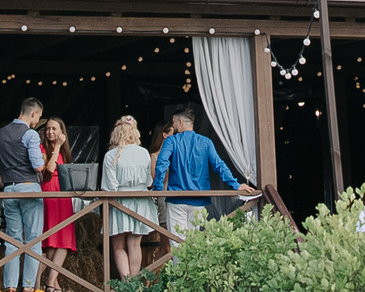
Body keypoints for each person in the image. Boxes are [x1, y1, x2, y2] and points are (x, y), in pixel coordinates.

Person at [154, 108, 254, 245]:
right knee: (193, 243)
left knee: (177, 244)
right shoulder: (205, 142)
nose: (174, 126)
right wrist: (235, 184)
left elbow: (161, 164)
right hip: (199, 200)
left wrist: (158, 188)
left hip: (176, 199)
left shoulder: (171, 141)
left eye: (174, 122)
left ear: (180, 122)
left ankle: (180, 267)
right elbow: (219, 165)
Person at [0, 98, 49, 292]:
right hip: (29, 188)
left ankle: (10, 287)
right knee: (33, 240)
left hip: (9, 190)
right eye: (38, 117)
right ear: (33, 113)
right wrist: (45, 160)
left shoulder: (0, 133)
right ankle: (28, 288)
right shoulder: (30, 134)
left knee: (12, 239)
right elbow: (38, 166)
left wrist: (1, 180)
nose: (37, 121)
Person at [102, 115, 156, 282]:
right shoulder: (144, 153)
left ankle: (127, 285)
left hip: (119, 201)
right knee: (135, 245)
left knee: (118, 246)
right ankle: (135, 284)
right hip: (140, 201)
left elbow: (109, 186)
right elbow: (149, 181)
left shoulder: (111, 156)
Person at [38, 117, 79, 292]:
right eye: (48, 129)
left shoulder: (65, 151)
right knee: (48, 243)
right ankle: (37, 284)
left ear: (62, 131)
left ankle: (51, 281)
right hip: (49, 193)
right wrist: (55, 148)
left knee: (63, 241)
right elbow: (48, 171)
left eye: (54, 129)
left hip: (63, 196)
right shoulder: (43, 149)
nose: (50, 132)